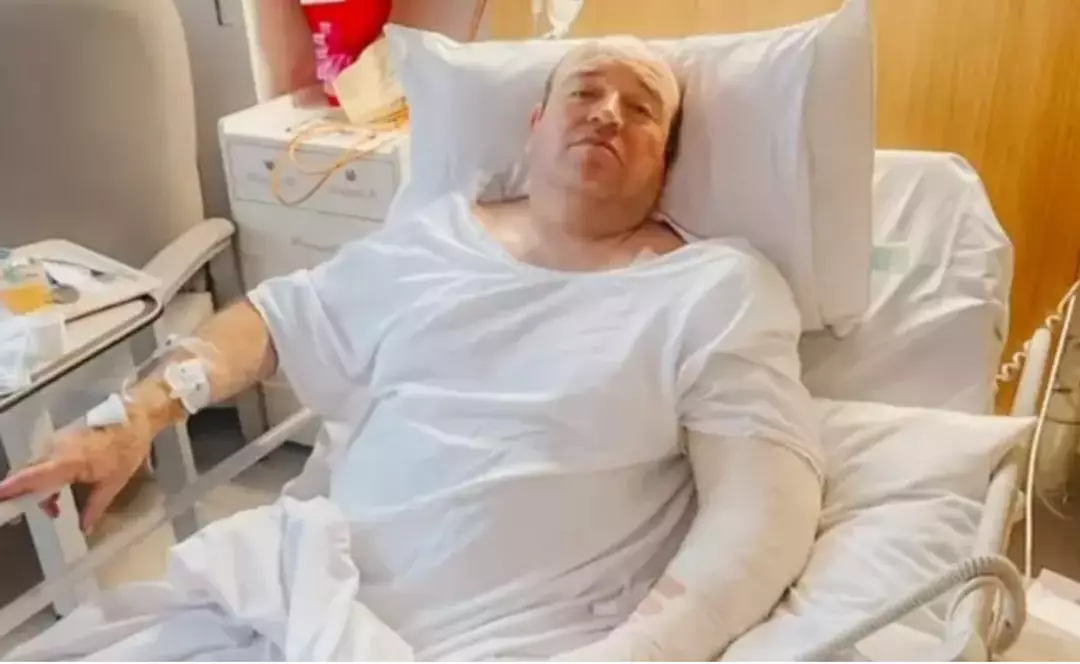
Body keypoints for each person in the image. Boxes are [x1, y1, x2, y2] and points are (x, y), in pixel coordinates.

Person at [0, 39, 822, 661]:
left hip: (508, 637)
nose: (607, 112)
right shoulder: (433, 242)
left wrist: (637, 654)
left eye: (641, 109)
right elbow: (277, 321)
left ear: (666, 163)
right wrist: (139, 411)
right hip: (307, 599)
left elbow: (763, 511)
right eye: (584, 92)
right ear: (536, 127)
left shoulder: (714, 290)